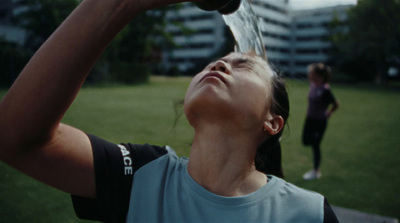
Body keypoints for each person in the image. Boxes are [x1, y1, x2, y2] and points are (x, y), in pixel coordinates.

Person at [0, 0, 339, 222]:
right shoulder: (141, 177)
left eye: (245, 66)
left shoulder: (309, 214)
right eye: (217, 61)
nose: (221, 64)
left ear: (273, 122)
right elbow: (16, 138)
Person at [302, 63, 340, 180]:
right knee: (305, 141)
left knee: (315, 145)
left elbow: (336, 104)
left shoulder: (325, 90)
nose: (309, 74)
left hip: (319, 122)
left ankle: (316, 171)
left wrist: (329, 113)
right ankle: (315, 169)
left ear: (318, 75)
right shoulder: (313, 85)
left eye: (311, 72)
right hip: (309, 119)